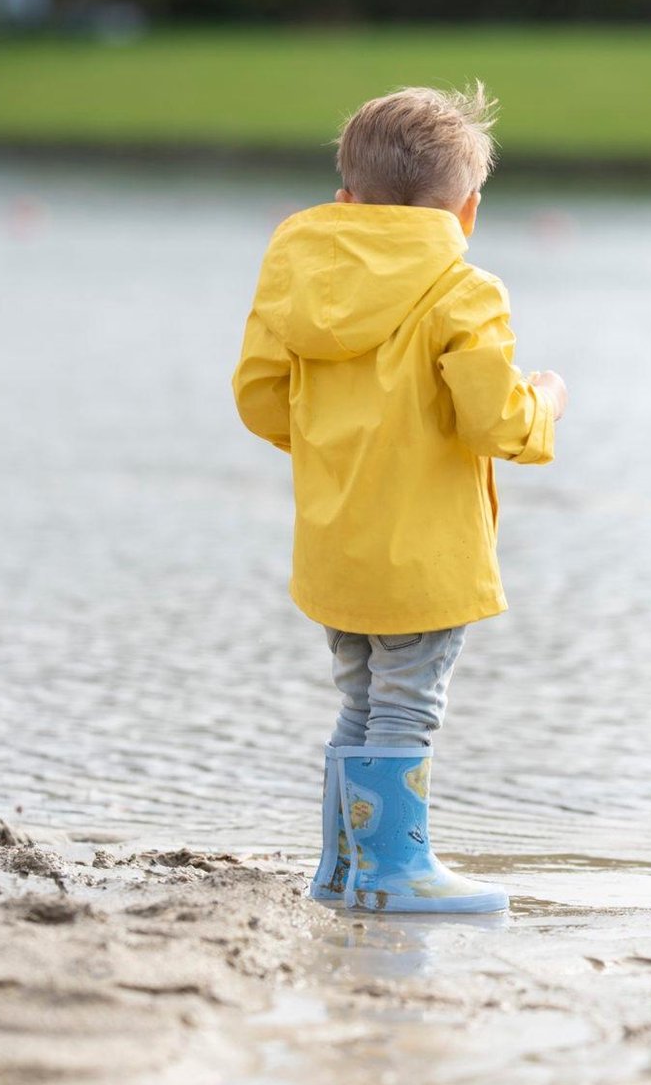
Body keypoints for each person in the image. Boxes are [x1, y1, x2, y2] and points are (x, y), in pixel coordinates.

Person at [231, 84, 568, 914]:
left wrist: (337, 447)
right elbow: (492, 420)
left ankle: (343, 869)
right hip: (421, 555)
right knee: (407, 710)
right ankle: (394, 869)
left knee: (363, 703)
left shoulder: (300, 275)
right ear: (467, 211)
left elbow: (260, 398)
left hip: (336, 544)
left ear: (346, 199)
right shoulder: (465, 289)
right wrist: (545, 403)